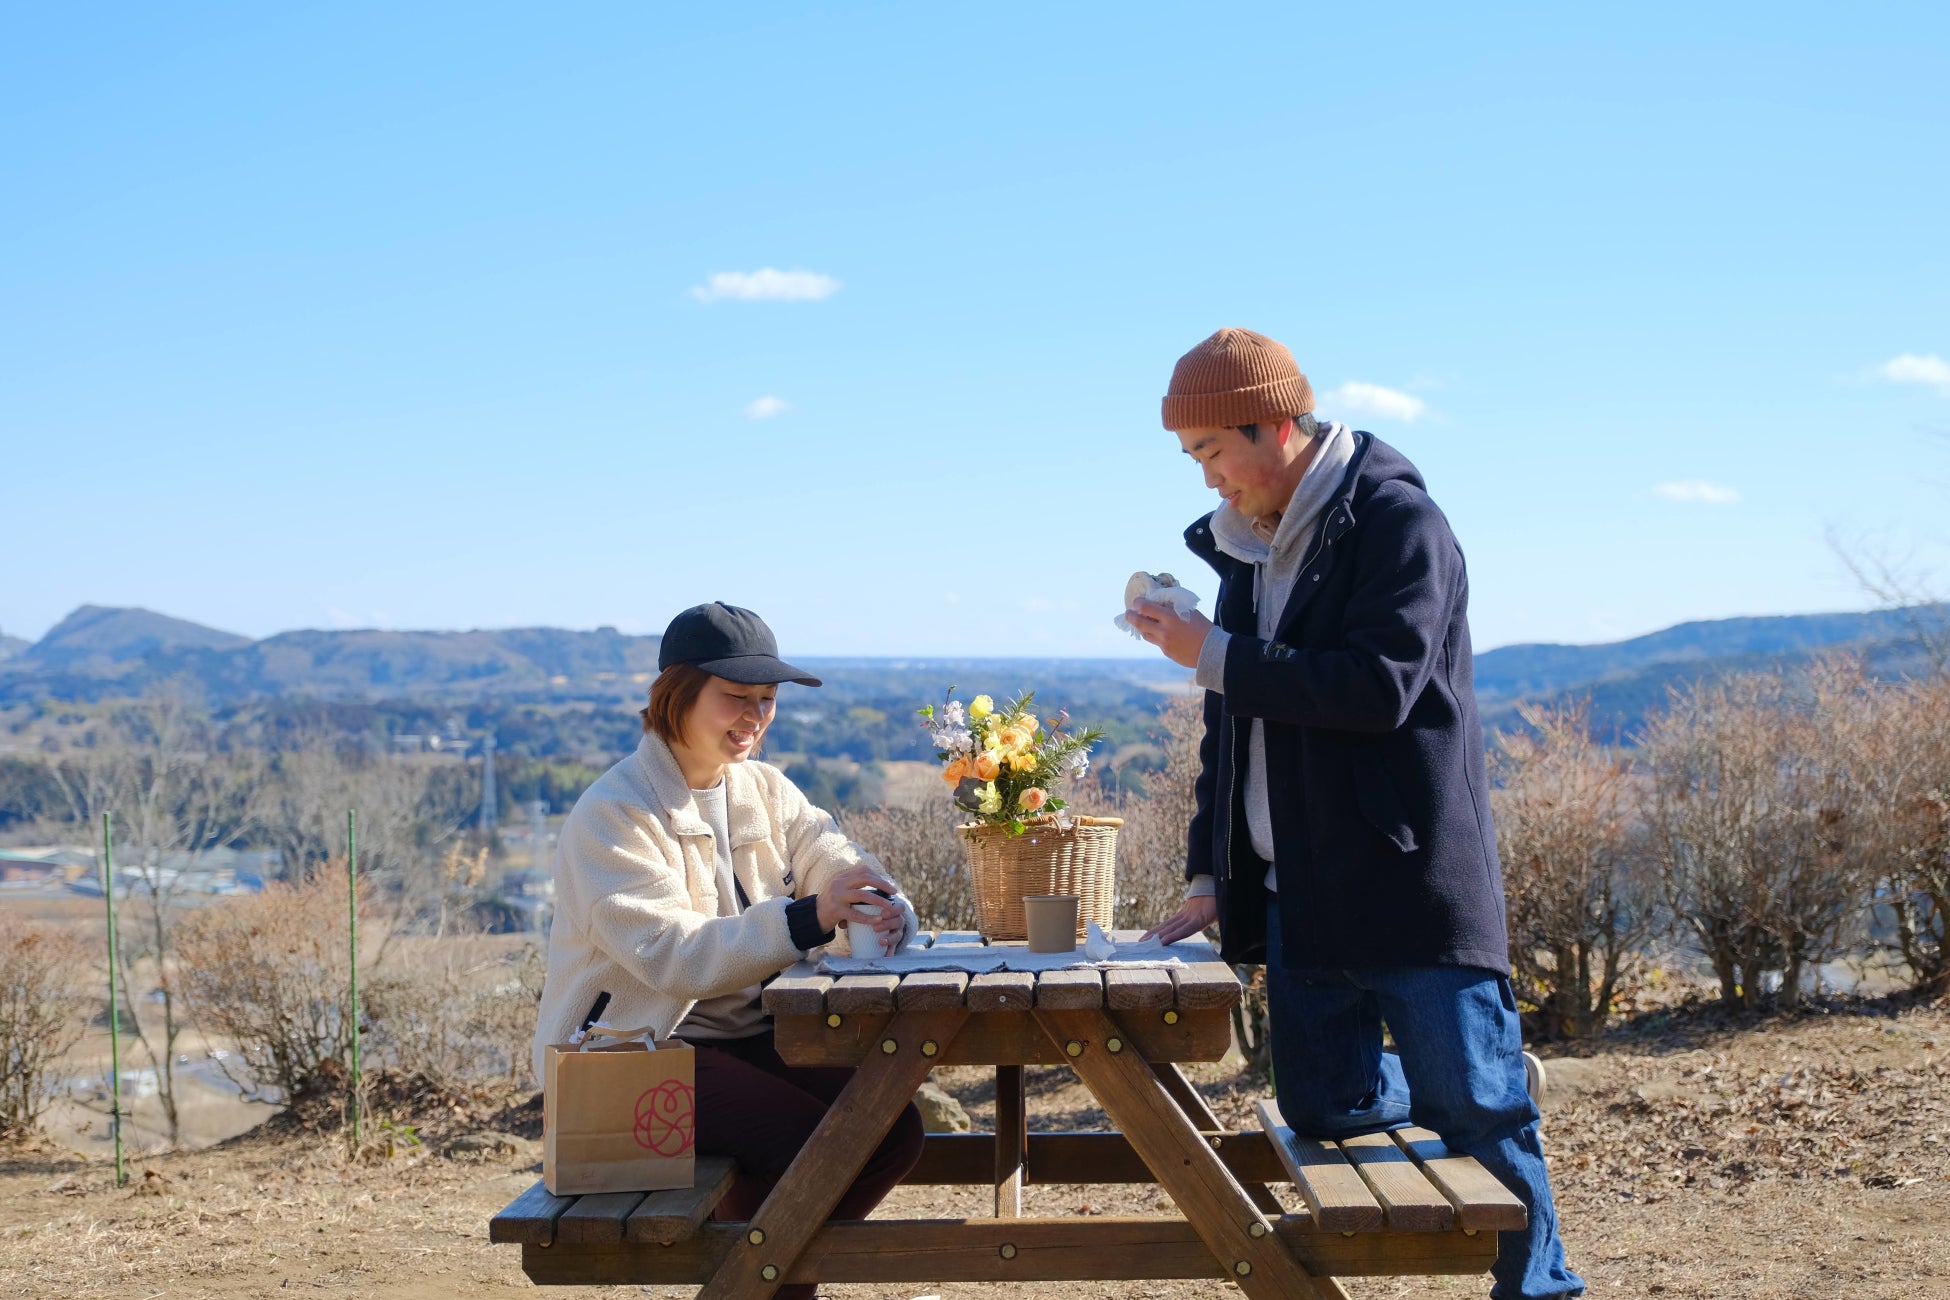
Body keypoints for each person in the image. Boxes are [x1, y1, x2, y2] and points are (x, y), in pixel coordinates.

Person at [1128, 329, 1584, 1300]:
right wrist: (1212, 869)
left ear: (1276, 425)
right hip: (1299, 896)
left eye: (1213, 450)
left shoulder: (1400, 523)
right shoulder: (1246, 552)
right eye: (1194, 458)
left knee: (1477, 1114)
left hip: (1409, 883)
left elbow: (1379, 688)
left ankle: (1537, 1284)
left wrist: (1214, 653)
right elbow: (1230, 727)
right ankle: (1476, 1073)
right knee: (1324, 1109)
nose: (1207, 479)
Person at [532, 602, 922, 1300]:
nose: (755, 716)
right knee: (810, 1143)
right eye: (735, 697)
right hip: (629, 1056)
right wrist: (808, 917)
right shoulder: (613, 814)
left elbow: (829, 851)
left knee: (890, 1127)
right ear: (676, 695)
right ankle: (758, 1281)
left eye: (767, 699)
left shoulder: (763, 788)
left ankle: (749, 1277)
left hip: (752, 1039)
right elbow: (671, 955)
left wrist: (873, 900)